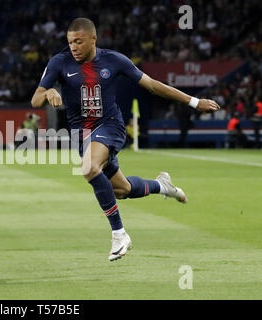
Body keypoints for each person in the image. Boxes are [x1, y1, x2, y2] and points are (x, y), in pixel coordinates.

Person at [31, 18, 220, 262]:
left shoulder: (114, 60)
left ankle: (119, 234)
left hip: (109, 126)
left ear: (93, 39)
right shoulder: (59, 62)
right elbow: (35, 99)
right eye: (70, 42)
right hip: (83, 135)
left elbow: (152, 85)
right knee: (122, 190)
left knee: (88, 167)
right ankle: (163, 186)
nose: (73, 47)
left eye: (78, 41)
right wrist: (48, 91)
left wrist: (194, 102)